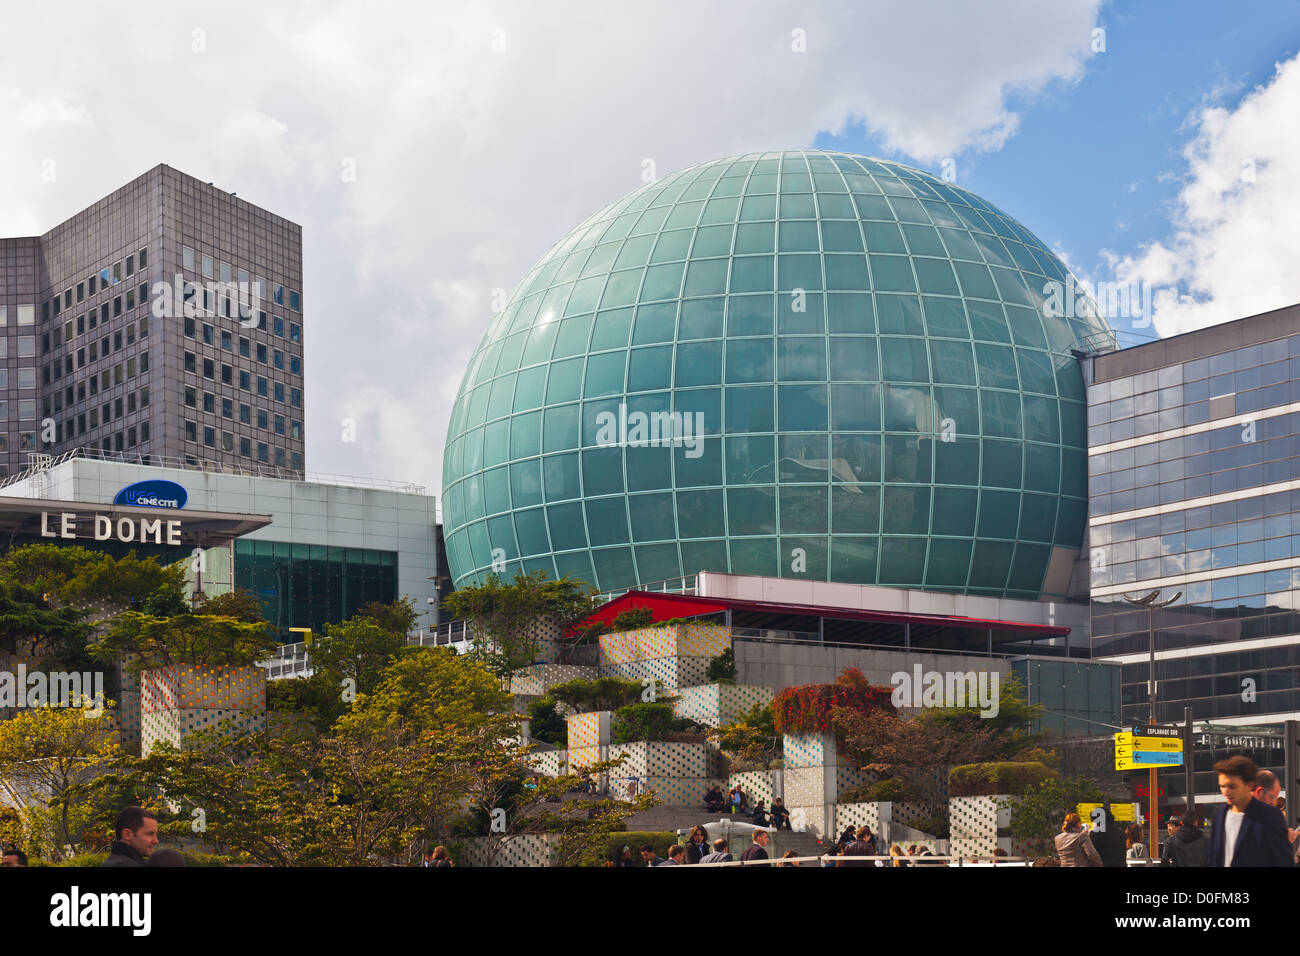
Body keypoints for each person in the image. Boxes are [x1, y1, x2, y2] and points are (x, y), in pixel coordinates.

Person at [1207, 756, 1294, 867]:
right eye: (1222, 786)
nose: (1226, 792)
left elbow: (1282, 861)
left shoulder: (1270, 815)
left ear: (1250, 785)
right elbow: (1213, 858)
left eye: (1232, 786)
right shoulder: (1219, 814)